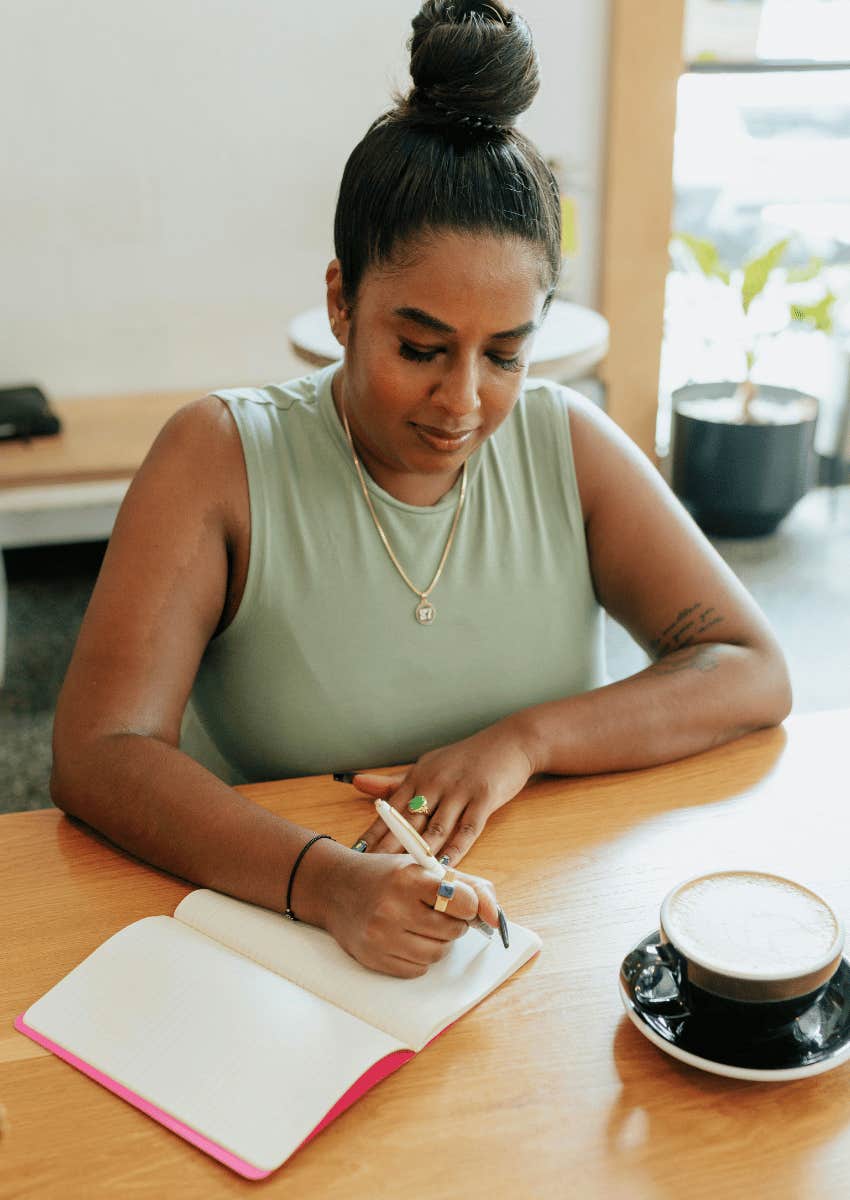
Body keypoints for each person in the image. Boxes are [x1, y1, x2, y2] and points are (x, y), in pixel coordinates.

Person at [50, 0, 791, 978]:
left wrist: (522, 742)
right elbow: (99, 750)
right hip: (279, 940)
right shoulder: (218, 457)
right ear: (340, 301)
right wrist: (326, 883)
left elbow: (749, 669)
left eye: (506, 354)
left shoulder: (565, 441)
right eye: (420, 348)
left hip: (527, 935)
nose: (464, 401)